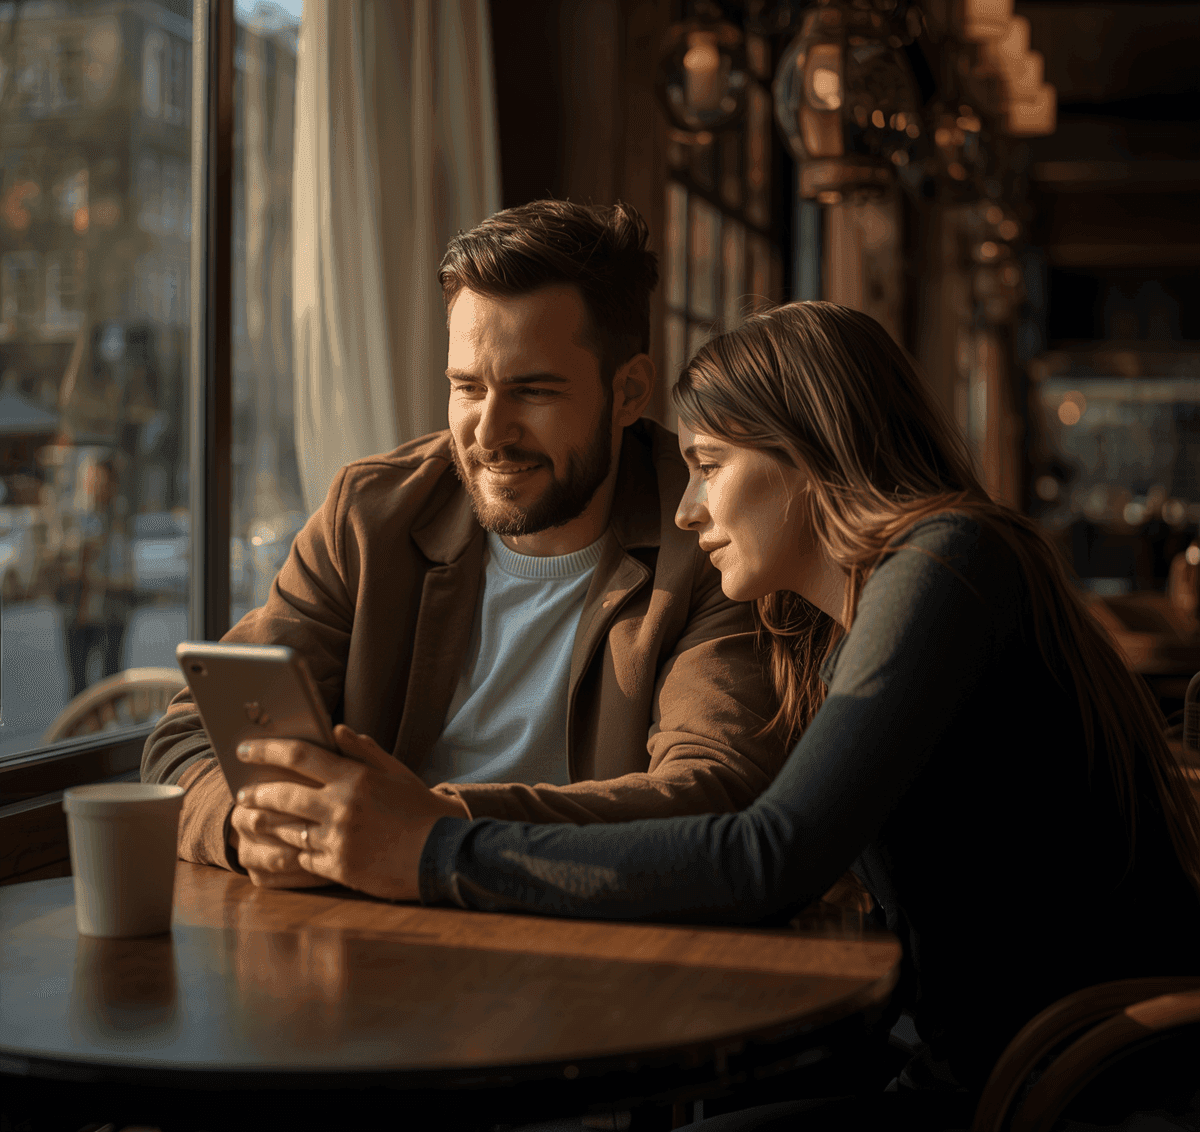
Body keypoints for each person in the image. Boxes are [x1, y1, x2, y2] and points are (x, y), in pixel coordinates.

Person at [233, 301, 1200, 1128]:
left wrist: (432, 849)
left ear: (810, 453)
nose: (689, 512)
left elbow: (763, 856)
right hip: (980, 1066)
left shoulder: (947, 562)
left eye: (708, 464)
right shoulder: (852, 613)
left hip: (1063, 1089)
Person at [142, 200, 791, 893]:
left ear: (627, 390)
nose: (489, 431)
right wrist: (244, 826)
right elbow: (184, 741)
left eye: (533, 391)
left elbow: (711, 791)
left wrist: (432, 826)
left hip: (589, 939)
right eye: (467, 388)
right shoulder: (369, 517)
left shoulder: (709, 538)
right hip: (364, 931)